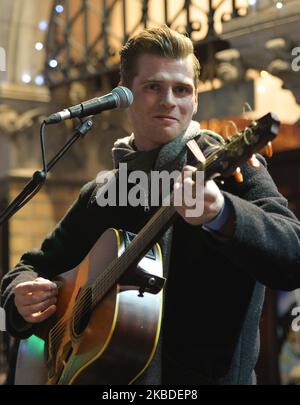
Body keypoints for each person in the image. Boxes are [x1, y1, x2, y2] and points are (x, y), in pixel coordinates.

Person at [1, 25, 300, 385]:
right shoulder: (103, 192)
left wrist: (223, 214)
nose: (169, 100)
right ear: (124, 95)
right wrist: (20, 295)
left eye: (182, 89)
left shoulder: (227, 168)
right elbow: (31, 267)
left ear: (196, 101)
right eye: (153, 87)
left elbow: (292, 255)